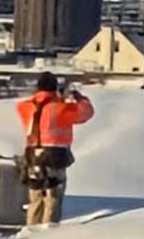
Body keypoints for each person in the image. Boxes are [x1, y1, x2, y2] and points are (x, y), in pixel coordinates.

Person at [15, 72, 94, 226]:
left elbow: (39, 107)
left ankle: (31, 230)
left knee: (35, 197)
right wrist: (78, 98)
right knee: (52, 196)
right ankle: (48, 231)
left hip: (32, 155)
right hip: (55, 155)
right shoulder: (61, 108)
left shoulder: (25, 106)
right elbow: (86, 113)